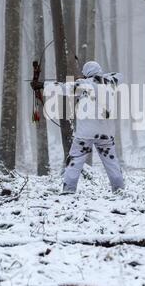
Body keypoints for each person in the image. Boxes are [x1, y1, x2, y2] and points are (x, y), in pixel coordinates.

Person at [31, 61, 125, 195]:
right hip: (106, 133)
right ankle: (119, 189)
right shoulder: (111, 81)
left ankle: (69, 190)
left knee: (75, 161)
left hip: (85, 134)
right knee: (112, 163)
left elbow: (62, 87)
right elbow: (119, 75)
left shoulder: (83, 85)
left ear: (87, 73)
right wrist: (92, 78)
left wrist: (41, 85)